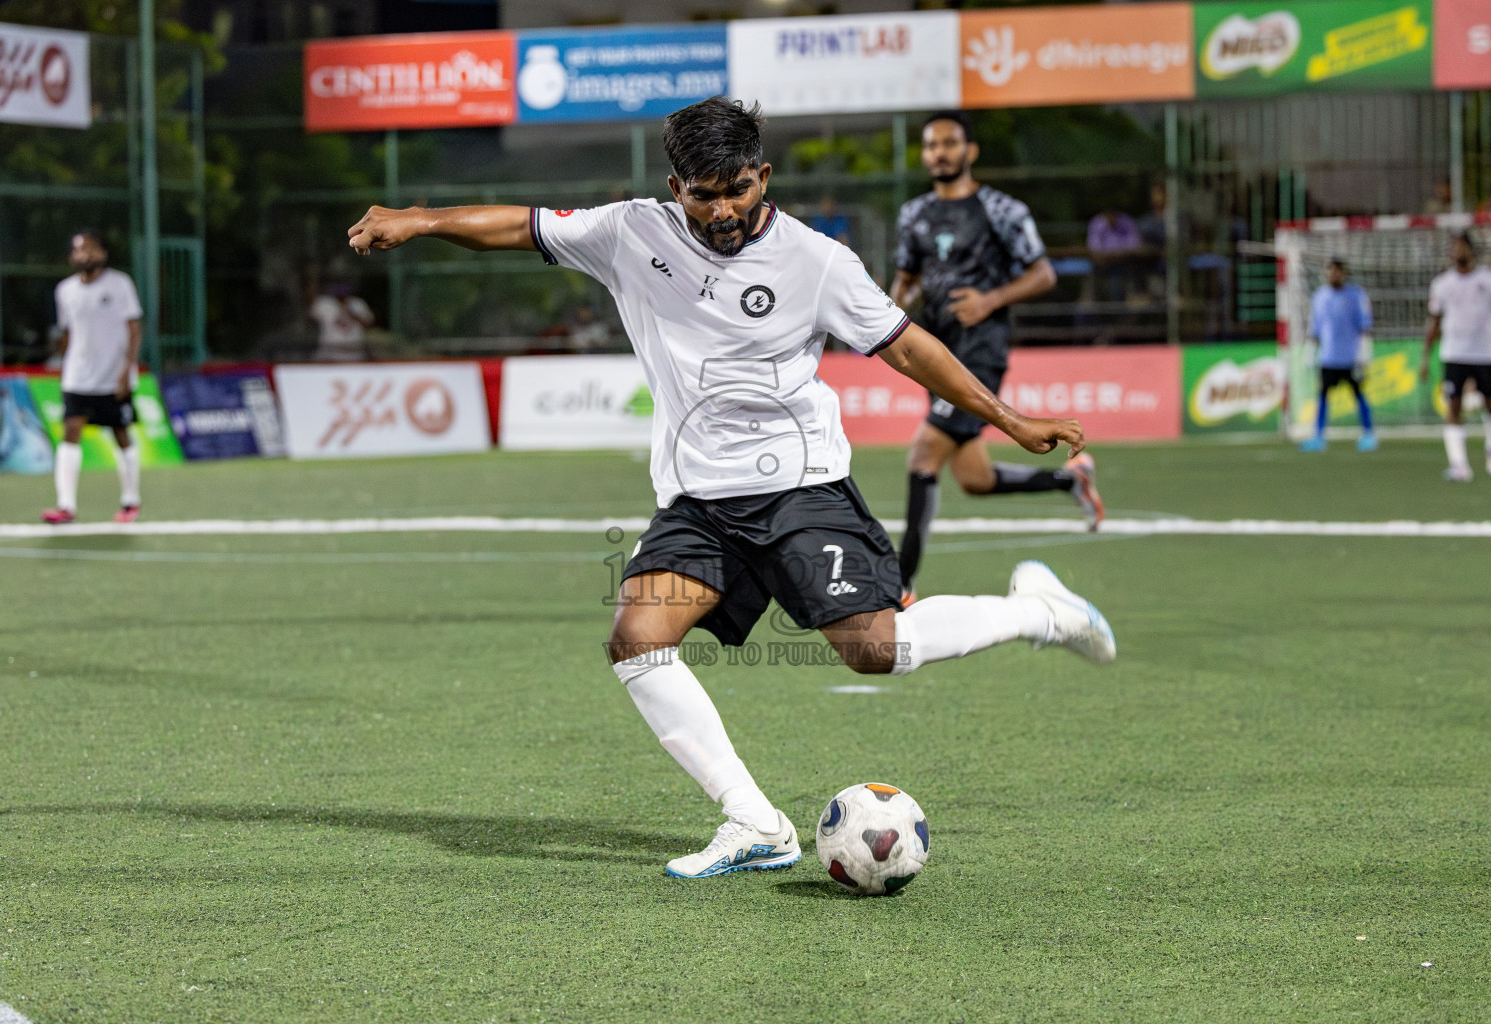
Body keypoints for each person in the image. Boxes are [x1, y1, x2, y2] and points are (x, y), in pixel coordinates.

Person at [347, 97, 1116, 879]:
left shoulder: (817, 261)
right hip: (697, 500)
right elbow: (523, 225)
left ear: (764, 177)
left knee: (878, 651)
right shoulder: (630, 232)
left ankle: (1037, 611)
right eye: (703, 192)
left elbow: (908, 346)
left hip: (801, 490)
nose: (722, 209)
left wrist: (1006, 416)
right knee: (638, 639)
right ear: (674, 185)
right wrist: (420, 217)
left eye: (739, 189)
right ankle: (754, 821)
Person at [890, 111, 1102, 604]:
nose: (939, 152)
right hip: (936, 355)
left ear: (970, 151)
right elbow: (907, 282)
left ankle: (900, 585)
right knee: (974, 479)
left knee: (923, 455)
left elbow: (1044, 274)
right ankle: (1069, 480)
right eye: (931, 145)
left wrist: (989, 300)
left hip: (980, 354)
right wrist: (895, 303)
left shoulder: (1001, 209)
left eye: (950, 143)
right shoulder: (913, 215)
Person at [42, 229, 144, 524]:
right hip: (77, 377)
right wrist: (54, 354)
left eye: (88, 249)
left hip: (113, 377)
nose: (82, 255)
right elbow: (67, 333)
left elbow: (134, 329)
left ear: (102, 253)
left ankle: (130, 501)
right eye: (76, 250)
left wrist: (127, 369)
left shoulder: (120, 284)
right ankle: (65, 506)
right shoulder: (65, 290)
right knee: (70, 433)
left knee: (121, 434)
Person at [1421, 232, 1491, 481]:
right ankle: (1459, 465)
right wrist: (1425, 356)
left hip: (1484, 353)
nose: (1459, 251)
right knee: (1453, 406)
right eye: (1455, 247)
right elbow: (1434, 321)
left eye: (1463, 246)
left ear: (1472, 251)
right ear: (1450, 253)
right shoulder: (1441, 284)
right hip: (1454, 353)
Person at [1301, 258, 1376, 453]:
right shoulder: (1319, 297)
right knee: (1323, 396)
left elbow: (1365, 326)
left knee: (1359, 395)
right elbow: (1314, 328)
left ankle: (1368, 434)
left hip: (1351, 358)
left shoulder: (1356, 295)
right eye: (1330, 270)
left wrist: (1364, 353)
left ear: (1344, 273)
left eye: (1337, 270)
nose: (1334, 274)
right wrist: (1310, 352)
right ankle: (1318, 436)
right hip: (1328, 358)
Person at [309, 281, 375, 362]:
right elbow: (310, 320)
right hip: (330, 352)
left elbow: (368, 324)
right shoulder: (325, 303)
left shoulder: (357, 303)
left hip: (354, 352)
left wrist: (352, 314)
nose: (342, 295)